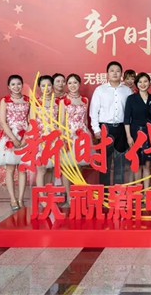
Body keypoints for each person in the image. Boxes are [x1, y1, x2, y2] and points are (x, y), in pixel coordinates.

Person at [89, 61, 133, 185]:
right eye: (112, 71)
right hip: (105, 128)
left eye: (117, 71)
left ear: (121, 74)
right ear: (107, 73)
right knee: (105, 162)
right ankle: (105, 191)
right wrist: (96, 129)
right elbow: (94, 110)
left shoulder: (127, 91)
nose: (115, 73)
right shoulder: (100, 90)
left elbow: (130, 112)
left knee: (120, 161)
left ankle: (118, 190)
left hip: (122, 128)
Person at [0, 74, 30, 210]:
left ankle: (20, 198)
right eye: (13, 84)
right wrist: (14, 138)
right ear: (9, 87)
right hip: (9, 136)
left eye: (18, 84)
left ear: (22, 85)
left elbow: (30, 120)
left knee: (22, 169)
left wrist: (25, 137)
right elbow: (2, 122)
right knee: (10, 169)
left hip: (24, 136)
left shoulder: (27, 100)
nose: (16, 87)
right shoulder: (5, 100)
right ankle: (13, 199)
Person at [124, 73, 151, 191]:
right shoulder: (131, 99)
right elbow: (127, 119)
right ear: (136, 84)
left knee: (147, 164)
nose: (143, 84)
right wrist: (129, 136)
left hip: (149, 133)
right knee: (137, 163)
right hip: (135, 133)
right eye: (140, 82)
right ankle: (138, 191)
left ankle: (146, 192)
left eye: (145, 81)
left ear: (149, 83)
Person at [59, 74, 90, 205]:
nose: (72, 85)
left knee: (79, 166)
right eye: (70, 83)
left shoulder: (85, 100)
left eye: (75, 83)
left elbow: (85, 120)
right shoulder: (63, 101)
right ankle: (68, 196)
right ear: (67, 85)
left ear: (79, 84)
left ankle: (78, 193)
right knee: (67, 167)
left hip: (82, 135)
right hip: (69, 136)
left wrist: (87, 136)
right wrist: (63, 139)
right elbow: (61, 122)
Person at [31, 75, 60, 190]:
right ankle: (41, 195)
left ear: (52, 86)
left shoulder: (58, 102)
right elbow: (32, 122)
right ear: (39, 87)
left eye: (49, 85)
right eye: (43, 86)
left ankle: (50, 194)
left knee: (52, 168)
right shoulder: (35, 103)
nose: (46, 88)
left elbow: (60, 121)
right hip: (41, 138)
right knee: (41, 168)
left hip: (54, 138)